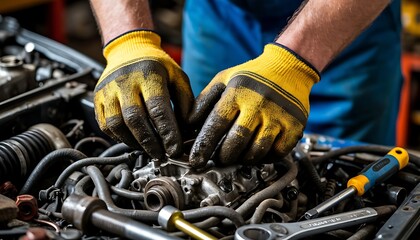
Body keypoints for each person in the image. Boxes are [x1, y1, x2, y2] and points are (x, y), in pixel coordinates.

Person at [90, 0, 402, 167]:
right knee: (203, 135)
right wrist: (128, 41)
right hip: (222, 13)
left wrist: (295, 65)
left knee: (344, 175)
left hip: (338, 19)